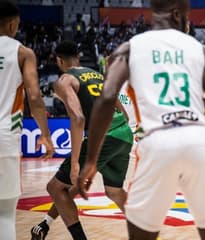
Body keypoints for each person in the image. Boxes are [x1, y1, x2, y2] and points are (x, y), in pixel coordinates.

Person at [77, 1, 205, 239]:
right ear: (177, 14)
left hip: (157, 142)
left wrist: (92, 160)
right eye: (187, 16)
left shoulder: (129, 48)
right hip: (197, 141)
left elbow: (106, 99)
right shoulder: (200, 50)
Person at [30, 41, 133, 240]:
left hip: (104, 136)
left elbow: (78, 118)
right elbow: (121, 109)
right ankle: (146, 231)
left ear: (59, 60)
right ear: (78, 57)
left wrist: (75, 162)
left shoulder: (65, 81)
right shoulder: (97, 74)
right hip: (124, 134)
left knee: (55, 187)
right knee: (114, 191)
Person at [0, 2, 54, 240]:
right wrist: (45, 133)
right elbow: (34, 96)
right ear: (13, 23)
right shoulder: (22, 53)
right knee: (4, 214)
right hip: (4, 138)